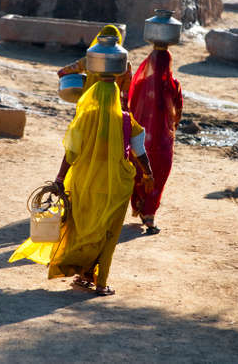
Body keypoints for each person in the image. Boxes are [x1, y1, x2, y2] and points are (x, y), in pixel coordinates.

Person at [9, 73, 154, 296]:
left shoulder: (85, 119)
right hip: (116, 186)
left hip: (84, 182)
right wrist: (148, 174)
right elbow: (140, 151)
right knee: (108, 233)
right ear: (116, 97)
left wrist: (59, 179)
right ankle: (100, 282)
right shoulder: (126, 120)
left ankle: (82, 271)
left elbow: (71, 153)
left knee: (83, 227)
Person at [128, 46, 183, 234]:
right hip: (163, 143)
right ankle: (149, 214)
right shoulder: (173, 84)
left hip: (141, 140)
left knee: (138, 171)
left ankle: (138, 204)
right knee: (158, 177)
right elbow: (178, 112)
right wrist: (170, 126)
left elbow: (132, 107)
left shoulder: (142, 84)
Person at [57, 24, 132, 110]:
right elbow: (126, 91)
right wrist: (124, 107)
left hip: (90, 101)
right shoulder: (125, 64)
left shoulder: (88, 60)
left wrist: (80, 82)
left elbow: (62, 72)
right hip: (112, 104)